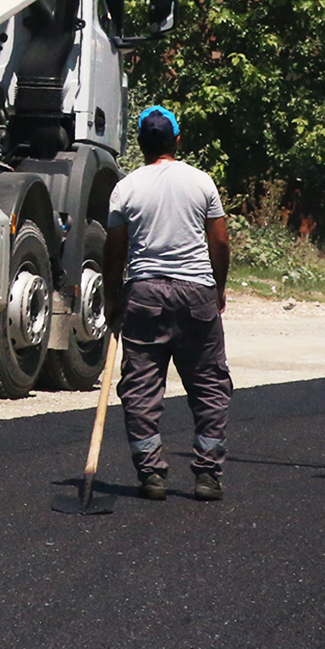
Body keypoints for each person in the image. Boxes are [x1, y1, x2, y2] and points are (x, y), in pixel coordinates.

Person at [105, 105, 233, 502]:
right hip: (196, 294)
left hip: (144, 295)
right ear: (178, 140)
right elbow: (220, 240)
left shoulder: (126, 187)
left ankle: (151, 475)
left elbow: (114, 250)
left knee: (142, 389)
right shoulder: (201, 183)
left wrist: (112, 299)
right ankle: (208, 474)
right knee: (209, 385)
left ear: (141, 144)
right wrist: (218, 287)